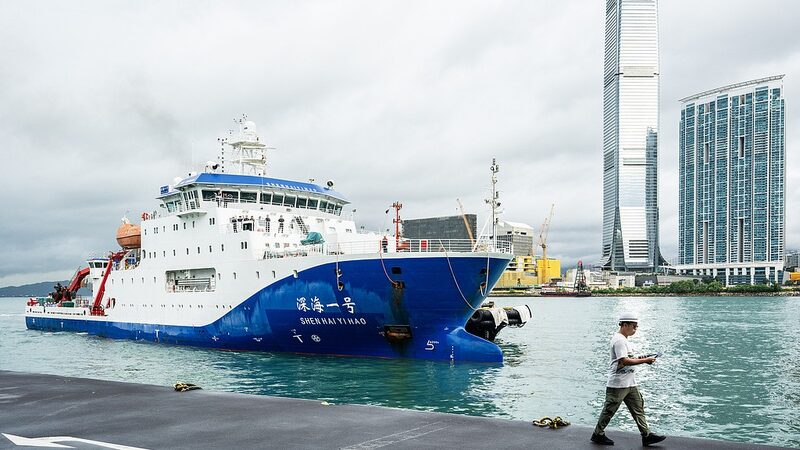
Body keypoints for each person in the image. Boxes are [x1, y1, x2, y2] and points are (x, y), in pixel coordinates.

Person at [591, 312, 666, 447]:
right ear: (625, 325)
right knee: (609, 410)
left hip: (630, 383)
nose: (635, 329)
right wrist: (645, 360)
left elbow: (628, 357)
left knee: (638, 408)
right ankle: (598, 434)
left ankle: (646, 435)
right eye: (634, 326)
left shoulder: (624, 340)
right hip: (618, 384)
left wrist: (643, 357)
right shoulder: (619, 340)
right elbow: (624, 360)